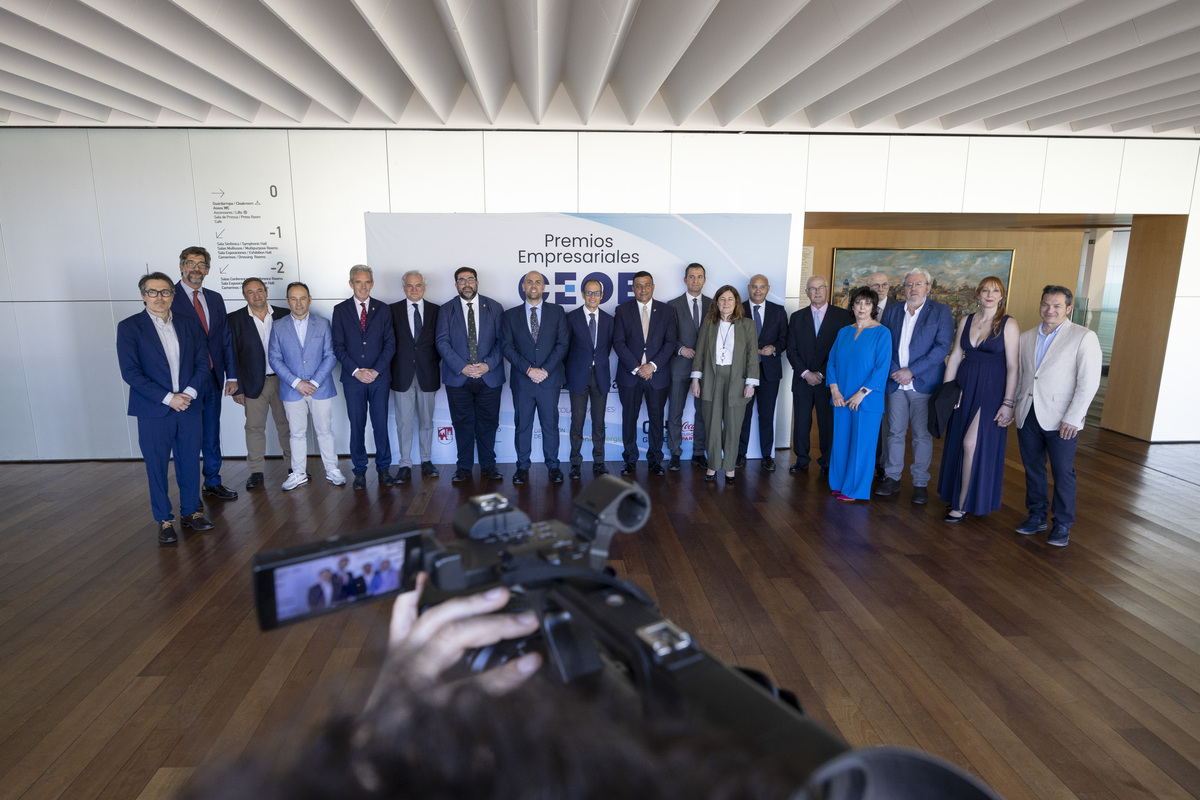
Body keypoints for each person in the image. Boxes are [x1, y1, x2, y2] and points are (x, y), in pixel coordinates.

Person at [117, 271, 214, 544]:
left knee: (189, 462)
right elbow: (131, 373)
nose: (159, 297)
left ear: (173, 295)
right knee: (156, 466)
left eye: (165, 292)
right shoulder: (129, 327)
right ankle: (164, 519)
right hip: (153, 410)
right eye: (153, 292)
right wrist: (168, 398)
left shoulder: (188, 324)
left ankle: (190, 512)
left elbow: (201, 363)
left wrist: (188, 394)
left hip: (188, 407)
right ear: (143, 295)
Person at [1014, 285, 1102, 547]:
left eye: (1056, 306)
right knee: (1033, 469)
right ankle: (1037, 515)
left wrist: (1074, 417)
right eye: (1045, 304)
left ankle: (1062, 523)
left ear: (1069, 309)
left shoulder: (1083, 337)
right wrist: (1013, 405)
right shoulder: (1027, 336)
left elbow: (1088, 382)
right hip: (1028, 413)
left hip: (1062, 418)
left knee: (1063, 471)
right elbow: (1022, 375)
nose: (1049, 310)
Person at [937, 278, 1019, 522]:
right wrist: (947, 392)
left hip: (991, 390)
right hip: (964, 387)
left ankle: (963, 502)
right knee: (958, 441)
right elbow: (954, 357)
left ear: (1002, 296)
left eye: (995, 291)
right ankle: (959, 497)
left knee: (971, 444)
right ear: (978, 294)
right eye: (985, 290)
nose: (990, 295)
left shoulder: (1008, 324)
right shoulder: (966, 320)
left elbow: (1014, 366)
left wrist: (1008, 402)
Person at [875, 268, 954, 505]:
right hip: (895, 383)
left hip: (924, 383)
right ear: (903, 288)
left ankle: (920, 483)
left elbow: (941, 348)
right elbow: (883, 344)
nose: (913, 289)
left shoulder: (940, 311)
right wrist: (895, 372)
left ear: (928, 288)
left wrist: (912, 371)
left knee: (921, 435)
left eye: (918, 284)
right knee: (894, 433)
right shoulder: (891, 311)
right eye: (909, 285)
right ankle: (892, 477)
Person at [171, 246, 240, 501]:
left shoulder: (215, 298)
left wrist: (231, 376)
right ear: (181, 266)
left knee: (211, 432)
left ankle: (212, 481)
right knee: (188, 437)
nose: (195, 268)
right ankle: (189, 491)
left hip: (213, 377)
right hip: (185, 381)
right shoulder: (170, 296)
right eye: (190, 263)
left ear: (208, 270)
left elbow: (225, 339)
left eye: (201, 264)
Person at [268, 282, 346, 490]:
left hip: (320, 388)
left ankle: (332, 470)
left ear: (309, 299)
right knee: (296, 433)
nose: (298, 302)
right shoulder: (278, 326)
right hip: (292, 389)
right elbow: (274, 358)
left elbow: (330, 355)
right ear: (287, 301)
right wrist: (296, 382)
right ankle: (299, 473)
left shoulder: (322, 323)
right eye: (293, 298)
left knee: (325, 431)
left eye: (302, 298)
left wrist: (313, 382)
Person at [435, 267, 506, 484]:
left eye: (470, 279)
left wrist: (487, 365)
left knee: (488, 422)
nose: (466, 284)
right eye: (461, 280)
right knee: (462, 422)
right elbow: (442, 342)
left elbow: (502, 342)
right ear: (456, 284)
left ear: (477, 282)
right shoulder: (446, 309)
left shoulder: (494, 307)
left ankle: (488, 465)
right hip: (458, 377)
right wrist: (461, 367)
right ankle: (463, 466)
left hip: (489, 376)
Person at [501, 271, 570, 485]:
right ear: (523, 287)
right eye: (529, 282)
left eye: (538, 282)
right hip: (523, 380)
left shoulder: (557, 312)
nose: (533, 285)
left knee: (550, 424)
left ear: (543, 287)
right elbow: (507, 347)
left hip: (549, 379)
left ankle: (553, 465)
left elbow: (562, 344)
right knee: (523, 425)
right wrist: (529, 370)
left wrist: (545, 370)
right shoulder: (510, 315)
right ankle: (522, 467)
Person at [332, 265, 396, 491]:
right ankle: (359, 470)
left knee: (380, 425)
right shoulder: (340, 310)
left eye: (367, 281)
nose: (363, 286)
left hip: (380, 378)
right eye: (358, 282)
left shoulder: (383, 309)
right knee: (357, 425)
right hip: (353, 379)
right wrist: (357, 371)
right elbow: (338, 347)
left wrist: (376, 371)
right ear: (351, 284)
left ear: (372, 283)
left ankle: (384, 468)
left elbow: (390, 344)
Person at [826, 287, 891, 502]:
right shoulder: (843, 332)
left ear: (873, 307)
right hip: (841, 397)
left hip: (867, 399)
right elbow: (832, 362)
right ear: (852, 306)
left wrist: (861, 394)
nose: (862, 307)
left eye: (867, 304)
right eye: (858, 303)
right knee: (842, 442)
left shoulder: (882, 333)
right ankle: (838, 484)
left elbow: (881, 368)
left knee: (862, 445)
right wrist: (835, 390)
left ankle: (854, 490)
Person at [228, 278, 292, 490]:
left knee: (288, 426)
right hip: (253, 384)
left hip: (284, 381)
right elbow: (232, 355)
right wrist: (236, 386)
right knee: (254, 428)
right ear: (244, 295)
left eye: (259, 291)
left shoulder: (284, 314)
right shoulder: (234, 320)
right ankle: (256, 471)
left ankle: (295, 467)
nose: (256, 296)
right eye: (250, 292)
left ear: (266, 291)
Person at [690, 286, 759, 483]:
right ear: (716, 303)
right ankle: (712, 466)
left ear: (736, 302)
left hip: (737, 379)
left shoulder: (748, 325)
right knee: (711, 424)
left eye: (730, 299)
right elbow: (700, 354)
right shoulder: (708, 324)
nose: (726, 303)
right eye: (722, 299)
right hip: (711, 378)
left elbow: (752, 357)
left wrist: (750, 384)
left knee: (733, 426)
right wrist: (696, 379)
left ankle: (729, 468)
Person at [786, 275, 852, 474]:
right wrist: (806, 373)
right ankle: (801, 459)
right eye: (812, 289)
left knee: (827, 424)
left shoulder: (843, 317)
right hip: (802, 380)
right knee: (801, 423)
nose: (816, 292)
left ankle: (827, 461)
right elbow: (791, 349)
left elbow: (842, 351)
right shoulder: (797, 317)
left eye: (820, 288)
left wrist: (822, 373)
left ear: (827, 289)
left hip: (829, 382)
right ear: (806, 293)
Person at [613, 271, 677, 476]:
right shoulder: (622, 310)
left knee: (657, 418)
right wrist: (636, 368)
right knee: (629, 418)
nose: (643, 289)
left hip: (657, 376)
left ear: (653, 286)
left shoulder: (667, 311)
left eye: (646, 285)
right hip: (629, 376)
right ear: (633, 288)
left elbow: (670, 343)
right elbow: (618, 343)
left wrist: (652, 366)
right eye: (638, 285)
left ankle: (655, 459)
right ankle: (630, 460)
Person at [389, 270, 441, 484]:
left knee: (427, 421)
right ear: (404, 288)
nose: (414, 289)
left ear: (424, 287)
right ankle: (405, 463)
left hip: (428, 373)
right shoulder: (392, 310)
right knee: (404, 422)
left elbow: (441, 343)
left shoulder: (436, 310)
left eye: (418, 285)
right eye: (409, 285)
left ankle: (426, 460)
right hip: (401, 374)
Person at [737, 274, 787, 471]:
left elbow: (785, 338)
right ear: (749, 288)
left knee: (766, 415)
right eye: (754, 287)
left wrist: (774, 348)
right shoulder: (738, 309)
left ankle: (767, 455)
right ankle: (740, 454)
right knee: (743, 415)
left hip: (769, 372)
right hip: (743, 372)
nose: (758, 291)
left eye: (762, 287)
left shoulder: (778, 311)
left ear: (768, 288)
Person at [565, 279, 614, 479]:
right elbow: (565, 348)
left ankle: (599, 462)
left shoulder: (610, 320)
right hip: (577, 376)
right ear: (583, 294)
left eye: (596, 293)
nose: (592, 296)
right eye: (589, 292)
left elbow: (606, 348)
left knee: (599, 422)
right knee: (577, 422)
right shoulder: (571, 318)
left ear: (602, 295)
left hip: (600, 375)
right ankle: (575, 462)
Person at [666, 263, 711, 470]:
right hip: (679, 366)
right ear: (685, 280)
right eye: (691, 277)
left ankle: (699, 452)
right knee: (675, 411)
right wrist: (680, 349)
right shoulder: (672, 305)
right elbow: (666, 337)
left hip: (706, 368)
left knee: (703, 413)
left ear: (704, 280)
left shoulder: (714, 305)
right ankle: (675, 452)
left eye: (699, 277)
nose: (695, 280)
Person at [868, 271, 892, 479]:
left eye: (884, 285)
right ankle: (866, 460)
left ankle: (881, 465)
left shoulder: (898, 310)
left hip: (888, 376)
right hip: (861, 375)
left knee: (885, 424)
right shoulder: (859, 309)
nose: (880, 289)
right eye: (876, 285)